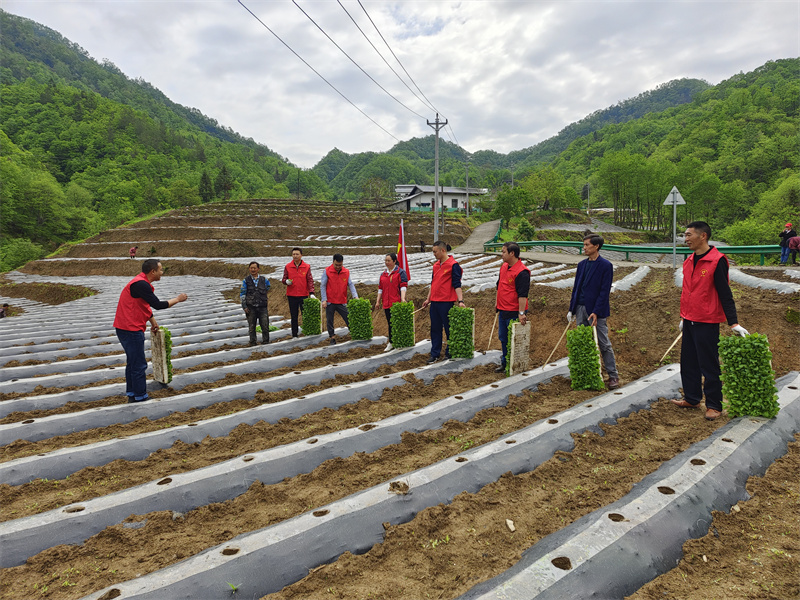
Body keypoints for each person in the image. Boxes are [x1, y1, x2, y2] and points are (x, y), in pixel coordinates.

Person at [672, 221, 748, 420]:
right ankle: (692, 397)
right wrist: (683, 316)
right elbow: (688, 292)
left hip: (707, 320)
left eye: (689, 235)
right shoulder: (689, 261)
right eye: (685, 235)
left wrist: (734, 322)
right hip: (689, 319)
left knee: (709, 364)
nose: (685, 239)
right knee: (688, 362)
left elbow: (725, 293)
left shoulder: (717, 260)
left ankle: (714, 405)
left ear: (703, 236)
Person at [113, 259, 188, 402]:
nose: (162, 272)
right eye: (160, 270)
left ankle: (132, 393)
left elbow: (143, 305)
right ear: (153, 272)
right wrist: (178, 299)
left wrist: (153, 321)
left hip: (124, 328)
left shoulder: (140, 283)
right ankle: (140, 396)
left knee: (133, 363)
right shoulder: (141, 284)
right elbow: (158, 305)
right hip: (131, 329)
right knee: (139, 364)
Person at [567, 234, 620, 389]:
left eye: (587, 245)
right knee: (583, 342)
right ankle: (587, 375)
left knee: (604, 343)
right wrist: (572, 308)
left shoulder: (605, 265)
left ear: (596, 246)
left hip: (596, 311)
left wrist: (596, 311)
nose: (584, 247)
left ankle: (613, 375)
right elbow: (576, 288)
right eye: (584, 245)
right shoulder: (582, 265)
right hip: (580, 308)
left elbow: (604, 292)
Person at [421, 240, 465, 364]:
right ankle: (435, 353)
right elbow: (433, 283)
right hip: (434, 302)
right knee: (435, 329)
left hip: (446, 302)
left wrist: (460, 300)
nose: (433, 254)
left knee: (448, 328)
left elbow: (457, 284)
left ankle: (449, 352)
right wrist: (428, 298)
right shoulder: (436, 266)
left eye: (435, 252)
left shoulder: (453, 265)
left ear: (443, 250)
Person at [495, 242, 530, 373]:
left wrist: (521, 312)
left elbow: (523, 295)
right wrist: (497, 302)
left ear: (512, 253)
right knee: (503, 337)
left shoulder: (522, 272)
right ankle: (505, 362)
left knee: (513, 339)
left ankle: (513, 364)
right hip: (503, 309)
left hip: (514, 311)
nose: (501, 254)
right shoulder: (504, 267)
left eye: (503, 251)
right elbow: (499, 286)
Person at [322, 253, 358, 345]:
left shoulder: (346, 272)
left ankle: (354, 333)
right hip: (330, 300)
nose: (338, 267)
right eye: (336, 265)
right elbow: (323, 285)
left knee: (348, 317)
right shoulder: (327, 271)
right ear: (333, 262)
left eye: (340, 265)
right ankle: (332, 337)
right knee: (330, 320)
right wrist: (324, 299)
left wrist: (355, 296)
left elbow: (350, 284)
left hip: (341, 300)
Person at [375, 253, 408, 352]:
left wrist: (403, 299)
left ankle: (400, 341)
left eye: (389, 261)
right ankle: (392, 342)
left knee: (398, 323)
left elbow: (403, 286)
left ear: (394, 261)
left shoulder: (400, 272)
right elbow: (380, 289)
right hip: (386, 303)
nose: (387, 263)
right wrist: (378, 301)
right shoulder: (383, 274)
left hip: (396, 302)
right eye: (386, 261)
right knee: (390, 323)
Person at [282, 247, 314, 337]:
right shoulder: (288, 266)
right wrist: (286, 281)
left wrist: (311, 292)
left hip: (303, 294)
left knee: (305, 315)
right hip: (291, 295)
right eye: (293, 254)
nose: (295, 256)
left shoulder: (306, 267)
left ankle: (307, 332)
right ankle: (294, 335)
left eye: (297, 254)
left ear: (301, 255)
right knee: (294, 316)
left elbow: (310, 280)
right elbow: (284, 279)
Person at [240, 261, 271, 346]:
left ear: (258, 269)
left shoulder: (264, 280)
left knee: (265, 326)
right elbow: (242, 294)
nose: (253, 270)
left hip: (262, 307)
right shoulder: (246, 281)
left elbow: (268, 287)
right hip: (251, 307)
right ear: (249, 269)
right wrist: (244, 306)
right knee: (252, 327)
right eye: (251, 268)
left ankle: (266, 342)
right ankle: (253, 342)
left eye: (254, 268)